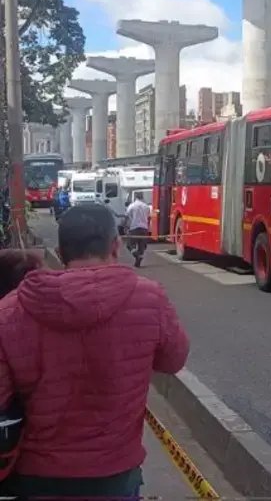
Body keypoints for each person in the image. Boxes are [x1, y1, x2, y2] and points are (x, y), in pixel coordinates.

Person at [0, 204, 190, 498]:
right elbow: (174, 360)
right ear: (115, 245)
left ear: (60, 253)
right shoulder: (150, 298)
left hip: (37, 477)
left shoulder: (10, 311)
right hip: (115, 477)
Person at [123, 193, 152, 268]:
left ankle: (136, 256)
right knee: (142, 246)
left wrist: (125, 227)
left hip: (134, 227)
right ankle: (138, 262)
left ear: (135, 197)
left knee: (129, 245)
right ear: (142, 197)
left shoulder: (131, 206)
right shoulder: (146, 207)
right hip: (144, 228)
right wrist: (147, 227)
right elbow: (149, 218)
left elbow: (126, 217)